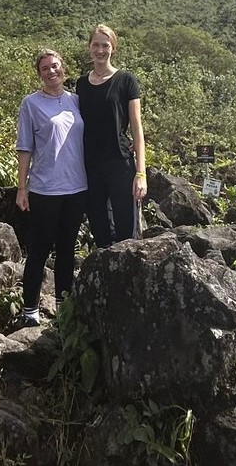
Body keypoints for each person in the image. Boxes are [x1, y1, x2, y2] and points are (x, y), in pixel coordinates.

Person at [15, 48, 87, 327]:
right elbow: (24, 147)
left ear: (63, 69)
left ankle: (63, 308)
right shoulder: (31, 104)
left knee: (68, 249)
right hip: (45, 188)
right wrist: (22, 187)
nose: (51, 71)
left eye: (55, 66)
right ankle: (30, 310)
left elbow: (97, 131)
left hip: (77, 187)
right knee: (40, 249)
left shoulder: (77, 101)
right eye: (45, 68)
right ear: (39, 74)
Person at [76, 23, 147, 248]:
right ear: (89, 48)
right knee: (98, 226)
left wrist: (141, 173)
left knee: (126, 227)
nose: (100, 50)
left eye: (105, 45)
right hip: (90, 165)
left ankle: (125, 277)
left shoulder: (126, 81)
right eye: (95, 45)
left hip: (120, 162)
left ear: (113, 48)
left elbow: (136, 127)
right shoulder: (81, 85)